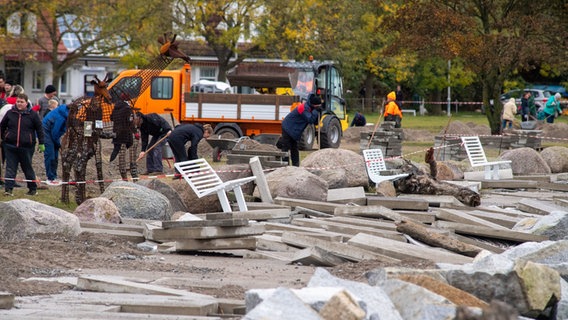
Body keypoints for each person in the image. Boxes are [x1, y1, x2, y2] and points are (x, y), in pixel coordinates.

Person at [0, 93, 44, 196]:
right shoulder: (10, 113)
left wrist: (41, 142)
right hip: (10, 146)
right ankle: (8, 190)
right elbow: (2, 126)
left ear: (26, 103)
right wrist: (3, 137)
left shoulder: (33, 115)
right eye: (18, 102)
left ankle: (32, 189)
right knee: (10, 167)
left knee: (27, 168)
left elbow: (39, 129)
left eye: (21, 102)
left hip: (27, 147)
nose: (19, 104)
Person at [280, 94, 322, 166]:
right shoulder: (303, 108)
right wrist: (315, 111)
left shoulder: (311, 107)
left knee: (294, 148)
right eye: (318, 106)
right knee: (286, 147)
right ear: (314, 104)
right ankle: (285, 166)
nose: (319, 107)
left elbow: (315, 122)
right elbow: (310, 120)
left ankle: (296, 166)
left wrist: (319, 113)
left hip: (295, 129)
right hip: (288, 127)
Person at [42, 104, 69, 184]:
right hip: (46, 132)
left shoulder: (65, 113)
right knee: (50, 155)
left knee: (55, 156)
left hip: (52, 133)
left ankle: (54, 176)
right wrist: (58, 144)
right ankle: (50, 177)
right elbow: (55, 133)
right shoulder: (60, 117)